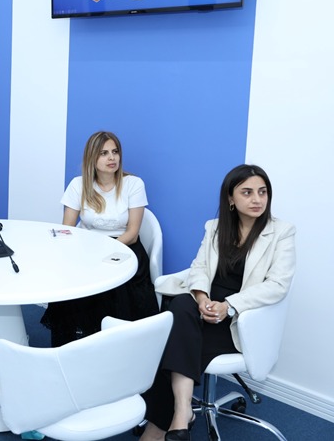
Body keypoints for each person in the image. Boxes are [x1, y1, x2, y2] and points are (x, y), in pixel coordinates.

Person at [140, 165, 296, 441]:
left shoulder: (281, 232)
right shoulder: (215, 228)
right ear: (230, 199)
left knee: (172, 342)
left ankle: (163, 423)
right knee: (181, 307)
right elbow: (199, 267)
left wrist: (229, 306)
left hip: (240, 319)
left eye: (262, 192)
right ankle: (182, 411)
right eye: (247, 192)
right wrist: (202, 298)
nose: (257, 199)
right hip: (205, 307)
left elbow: (277, 285)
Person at [41, 131, 158, 346]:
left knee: (114, 288)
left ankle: (113, 346)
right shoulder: (78, 185)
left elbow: (132, 233)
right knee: (68, 283)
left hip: (124, 248)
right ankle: (68, 348)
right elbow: (67, 228)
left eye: (115, 152)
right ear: (92, 158)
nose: (111, 158)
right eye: (104, 153)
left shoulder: (133, 184)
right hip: (86, 248)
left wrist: (103, 252)